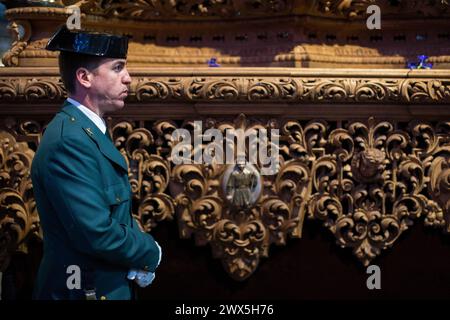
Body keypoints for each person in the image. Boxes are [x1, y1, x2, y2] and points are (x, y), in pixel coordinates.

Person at [31, 26, 161, 300]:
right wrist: (150, 251)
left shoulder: (86, 132)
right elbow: (96, 232)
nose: (128, 78)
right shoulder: (70, 141)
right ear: (84, 77)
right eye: (117, 68)